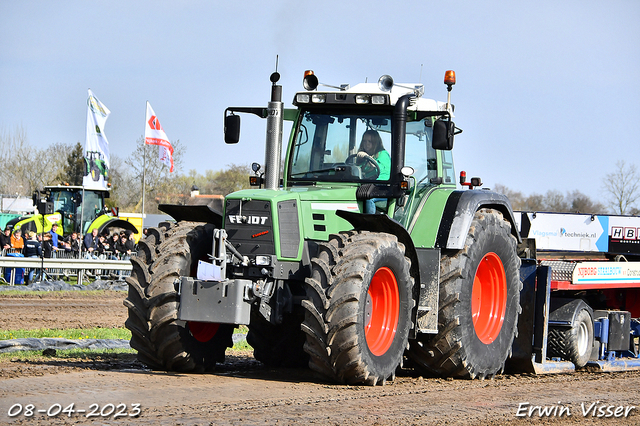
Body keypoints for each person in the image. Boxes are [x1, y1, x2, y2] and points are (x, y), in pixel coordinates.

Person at [356, 129, 391, 213]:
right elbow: (359, 171)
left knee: (369, 197)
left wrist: (368, 158)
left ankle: (370, 223)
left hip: (382, 188)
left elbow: (380, 169)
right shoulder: (363, 159)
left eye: (370, 141)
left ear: (375, 142)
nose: (366, 144)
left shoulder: (382, 154)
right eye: (364, 141)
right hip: (367, 186)